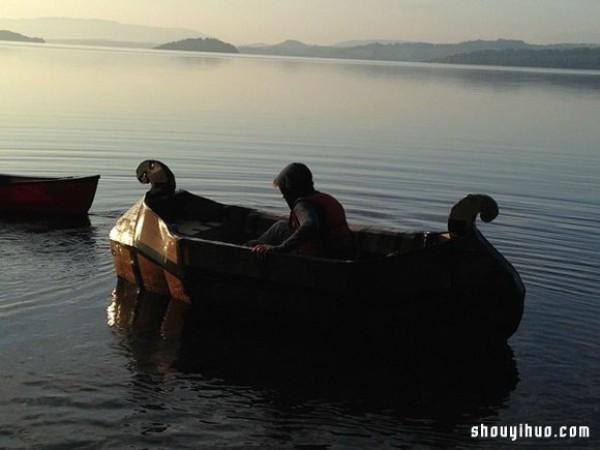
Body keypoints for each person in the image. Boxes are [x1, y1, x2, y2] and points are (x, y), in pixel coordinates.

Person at [247, 163, 355, 259]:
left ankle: (245, 249)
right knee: (282, 226)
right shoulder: (328, 199)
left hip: (317, 260)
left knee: (274, 231)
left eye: (285, 195)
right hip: (342, 254)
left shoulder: (302, 205)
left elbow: (310, 225)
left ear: (290, 190)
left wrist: (277, 248)